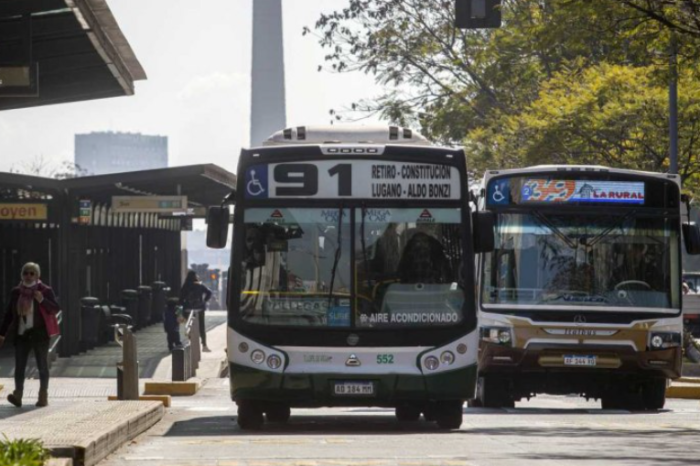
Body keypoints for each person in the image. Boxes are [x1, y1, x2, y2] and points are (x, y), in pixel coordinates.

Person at [0, 263, 60, 408]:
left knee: (42, 366)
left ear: (37, 275)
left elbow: (55, 308)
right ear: (22, 275)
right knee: (19, 366)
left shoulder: (45, 290)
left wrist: (42, 300)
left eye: (32, 273)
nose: (28, 276)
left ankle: (43, 396)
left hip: (39, 334)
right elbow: (9, 314)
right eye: (26, 273)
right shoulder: (16, 292)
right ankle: (17, 395)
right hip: (22, 334)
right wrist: (2, 334)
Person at [180, 271, 212, 352]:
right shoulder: (199, 285)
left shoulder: (185, 286)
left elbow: (181, 298)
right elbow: (209, 292)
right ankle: (204, 346)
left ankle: (191, 344)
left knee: (190, 327)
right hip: (199, 309)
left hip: (188, 310)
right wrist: (204, 301)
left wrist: (183, 308)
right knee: (201, 327)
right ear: (195, 276)